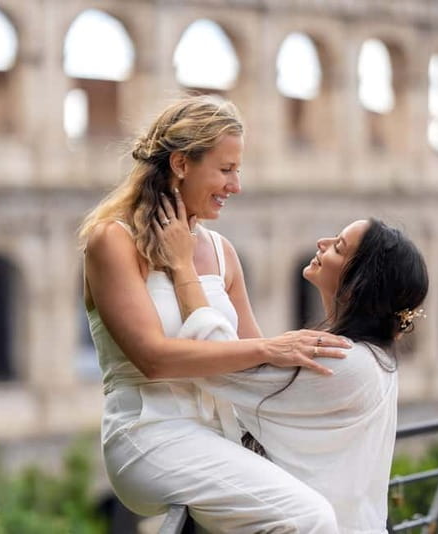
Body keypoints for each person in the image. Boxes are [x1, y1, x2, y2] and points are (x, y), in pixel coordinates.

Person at [79, 95, 351, 532]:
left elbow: (252, 369)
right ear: (183, 164)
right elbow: (153, 359)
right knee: (309, 516)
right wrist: (269, 346)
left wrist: (349, 374)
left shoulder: (223, 253)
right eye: (226, 170)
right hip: (149, 435)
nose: (235, 185)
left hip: (221, 435)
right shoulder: (112, 240)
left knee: (335, 498)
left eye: (237, 170)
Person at [154, 200, 429, 533]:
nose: (322, 244)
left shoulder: (345, 361)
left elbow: (217, 363)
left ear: (357, 284)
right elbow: (253, 366)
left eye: (338, 248)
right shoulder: (373, 359)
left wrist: (183, 266)